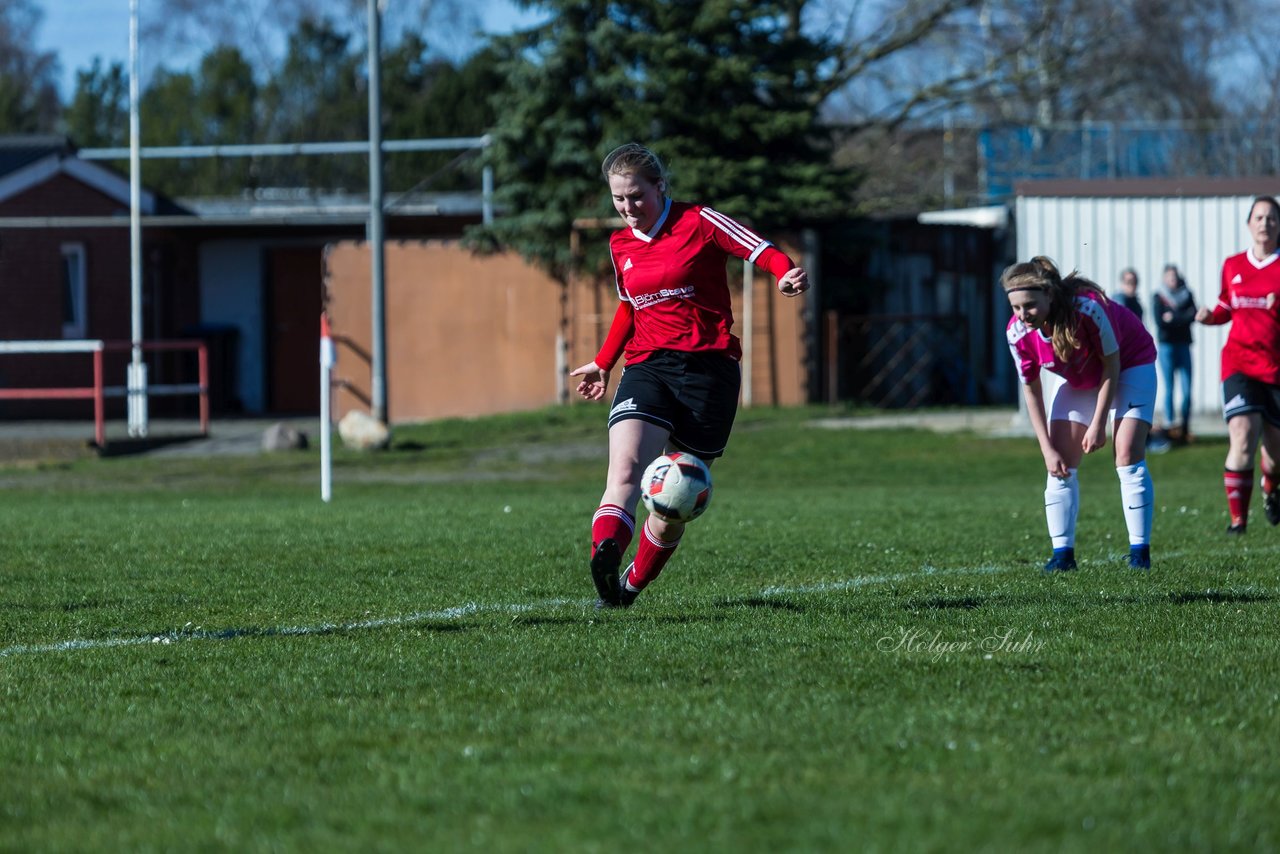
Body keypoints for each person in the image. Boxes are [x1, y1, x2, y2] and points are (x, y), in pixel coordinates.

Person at [569, 142, 809, 608]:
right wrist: (603, 361)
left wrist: (784, 274)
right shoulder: (620, 245)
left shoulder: (699, 221)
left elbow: (759, 249)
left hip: (710, 372)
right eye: (618, 199)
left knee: (673, 500)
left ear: (660, 187)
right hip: (648, 366)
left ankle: (628, 588)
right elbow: (629, 308)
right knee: (624, 471)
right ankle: (607, 551)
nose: (627, 208)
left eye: (636, 196)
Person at [1004, 256, 1159, 571]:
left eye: (1030, 305)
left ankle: (1139, 554)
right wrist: (1046, 448)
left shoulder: (1086, 309)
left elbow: (1112, 364)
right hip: (1084, 380)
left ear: (1049, 295)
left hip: (1130, 365)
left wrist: (1099, 422)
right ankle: (1062, 557)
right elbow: (1031, 390)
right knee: (1059, 463)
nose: (1023, 315)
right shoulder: (1018, 334)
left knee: (1126, 452)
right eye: (1016, 307)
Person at [1195, 195, 1280, 534]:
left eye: (1272, 218)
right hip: (1239, 363)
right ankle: (1237, 522)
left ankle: (1271, 486)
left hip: (1275, 368)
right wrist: (1209, 316)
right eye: (1259, 218)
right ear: (1249, 224)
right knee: (1242, 435)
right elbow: (1225, 306)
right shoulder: (1233, 265)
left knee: (1275, 456)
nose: (1265, 224)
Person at [1153, 263, 1197, 443]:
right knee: (1169, 388)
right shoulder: (1159, 297)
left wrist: (1174, 318)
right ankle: (1170, 427)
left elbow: (1193, 315)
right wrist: (1181, 318)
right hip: (1167, 347)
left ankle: (1185, 426)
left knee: (1187, 389)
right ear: (1165, 279)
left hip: (1184, 345)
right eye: (1169, 277)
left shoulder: (1187, 294)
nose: (1172, 280)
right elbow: (1160, 322)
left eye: (1174, 277)